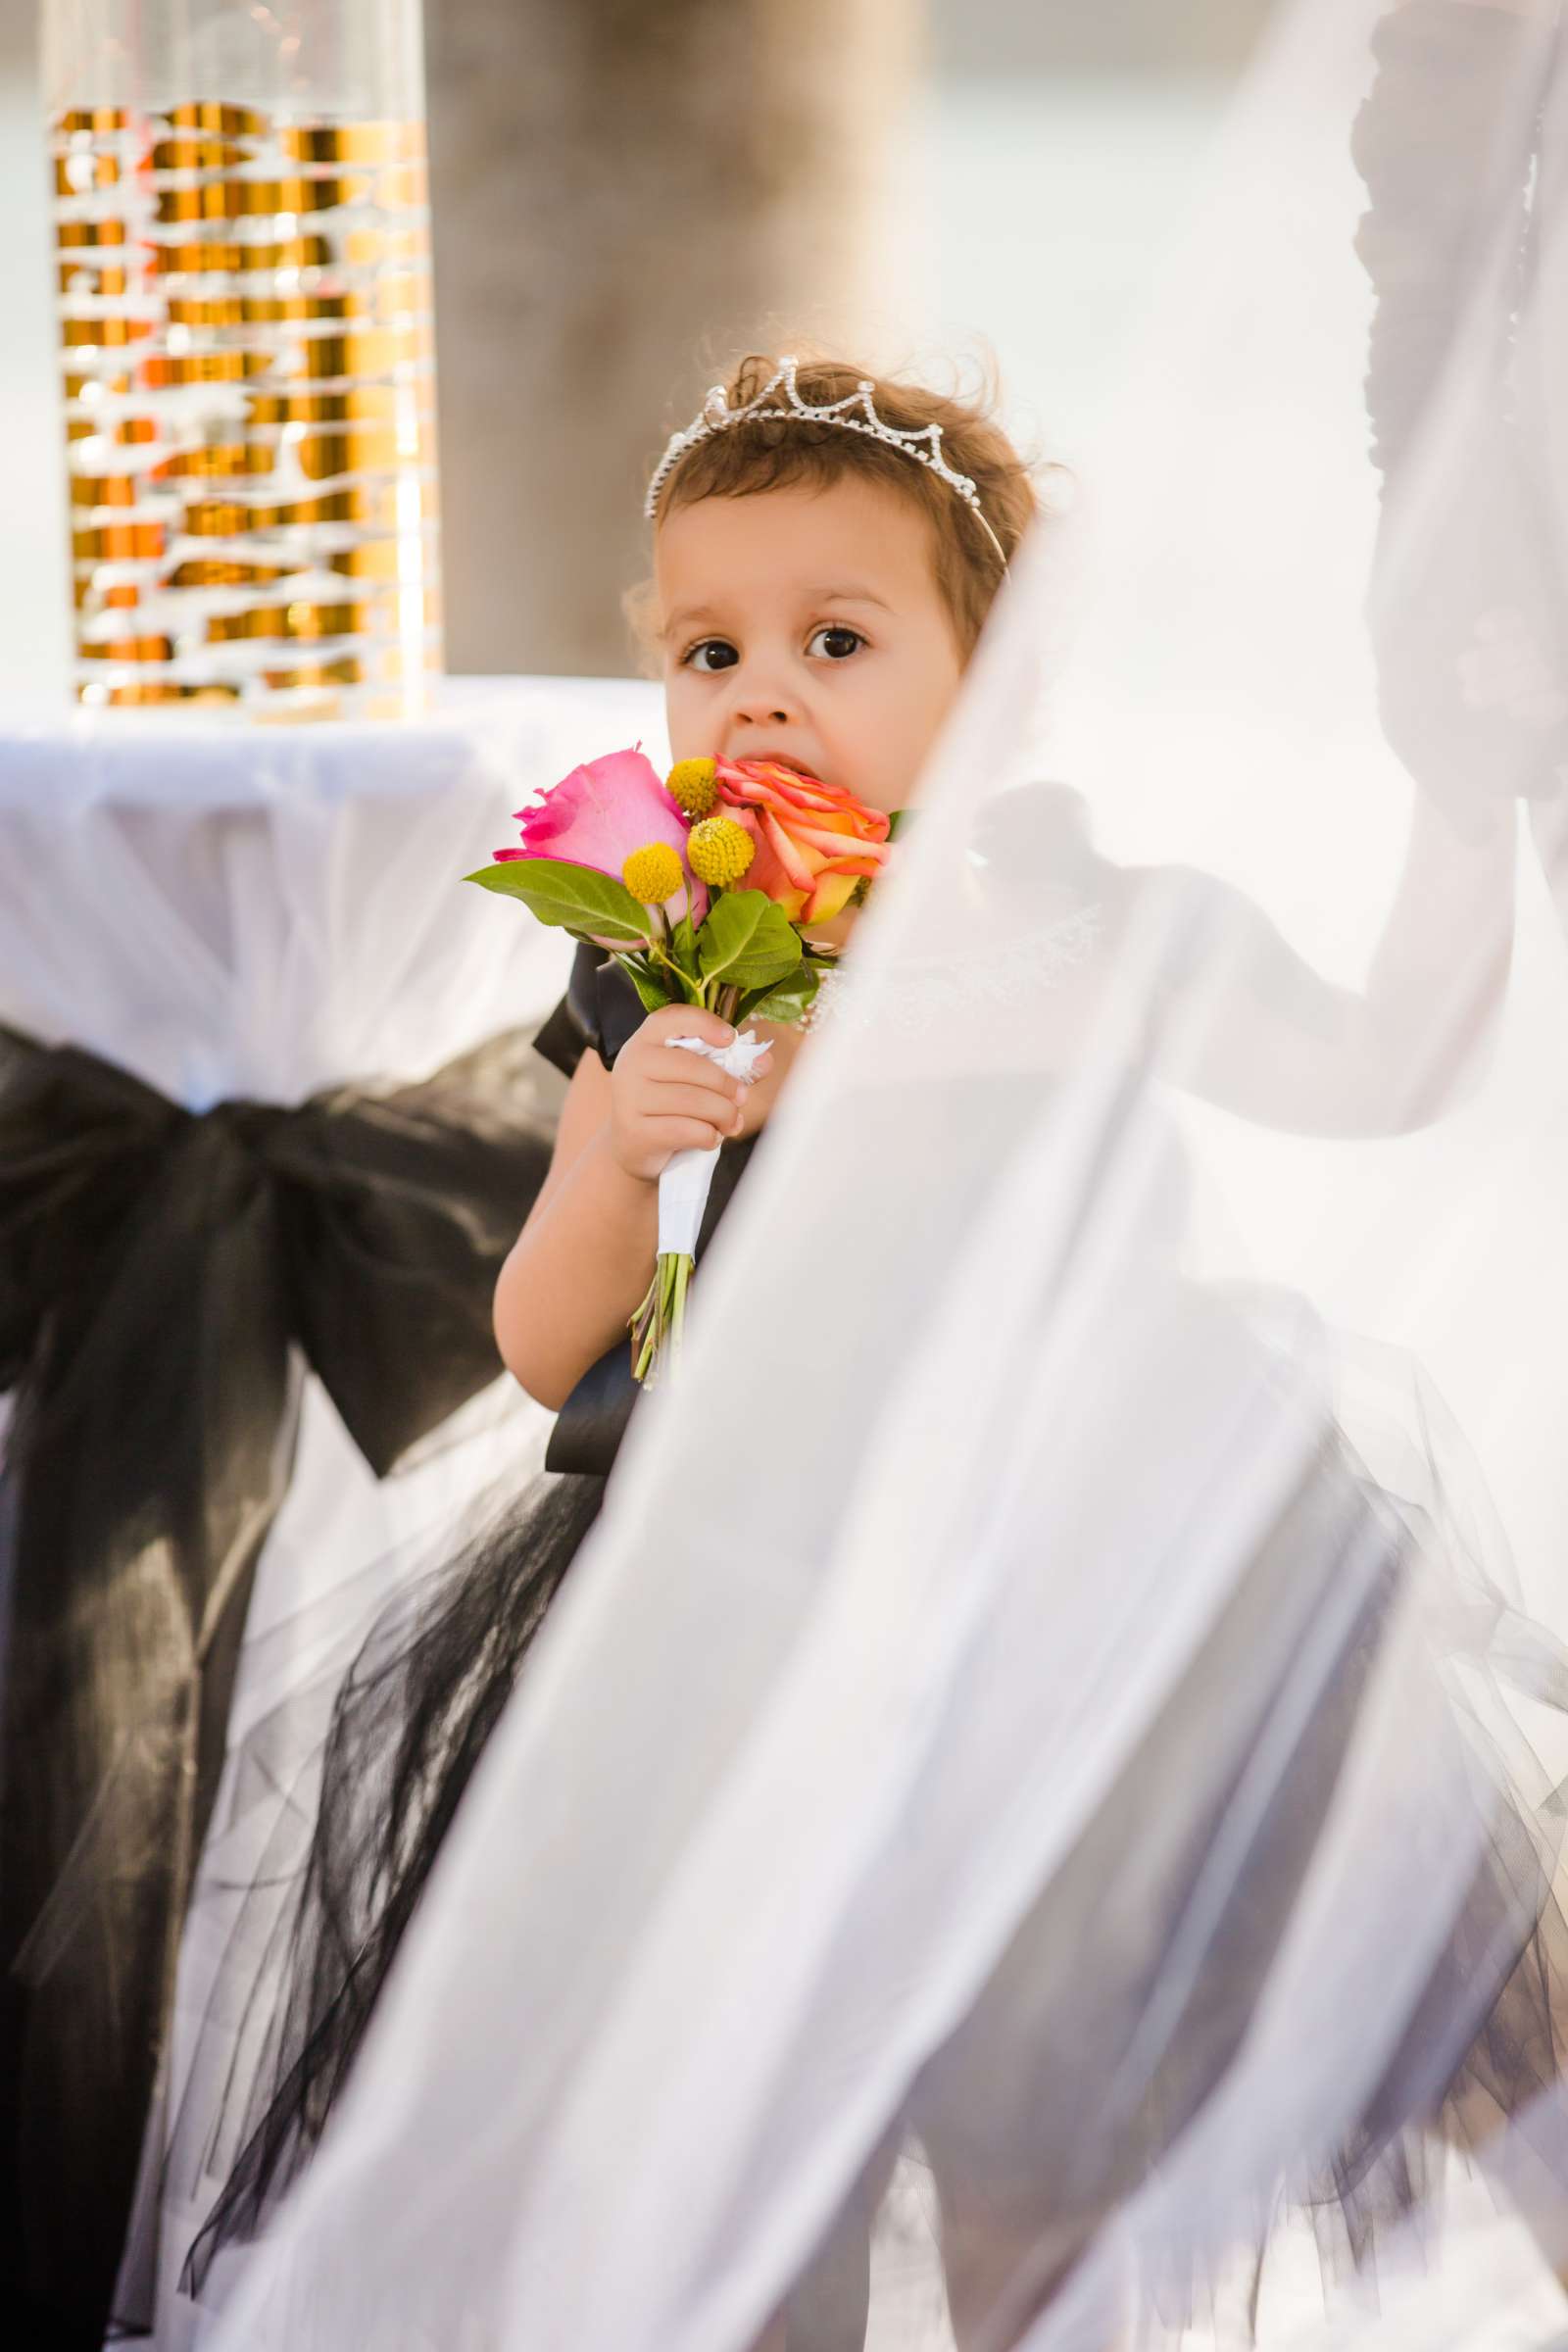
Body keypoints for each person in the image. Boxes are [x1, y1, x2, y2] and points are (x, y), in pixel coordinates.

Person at [184, 292, 1564, 2350]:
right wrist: (605, 1168)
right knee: (743, 2123)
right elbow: (551, 1350)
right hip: (755, 1591)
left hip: (1116, 1591)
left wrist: (1468, 819)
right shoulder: (675, 979)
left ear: (994, 681)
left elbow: (1377, 1064)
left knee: (1065, 2110)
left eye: (837, 640)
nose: (758, 695)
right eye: (705, 649)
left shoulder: (1098, 926)